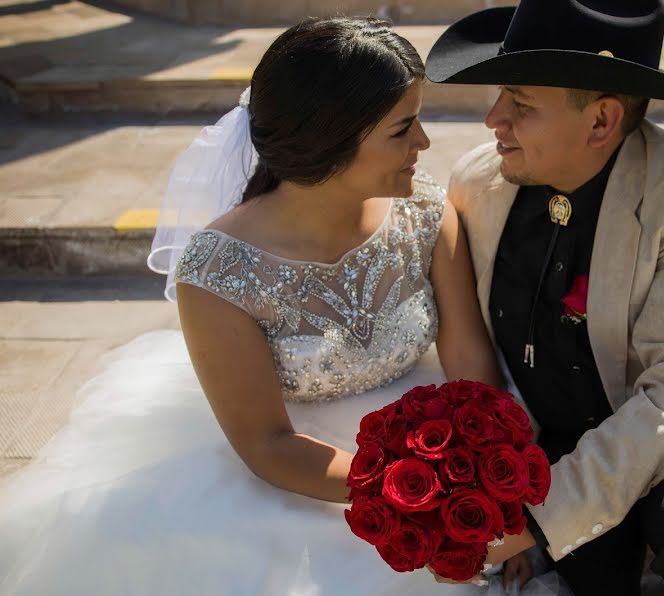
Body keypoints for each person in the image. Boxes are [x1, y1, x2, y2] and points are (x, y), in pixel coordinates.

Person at [0, 18, 566, 596]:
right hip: (301, 464)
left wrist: (493, 495)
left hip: (426, 430)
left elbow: (468, 354)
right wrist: (420, 500)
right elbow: (267, 444)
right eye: (403, 128)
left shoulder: (425, 214)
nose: (423, 143)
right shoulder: (218, 272)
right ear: (332, 139)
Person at [425, 1, 664, 594]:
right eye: (501, 95)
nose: (493, 119)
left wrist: (530, 520)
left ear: (601, 122)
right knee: (591, 568)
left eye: (521, 104)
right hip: (551, 433)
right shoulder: (478, 181)